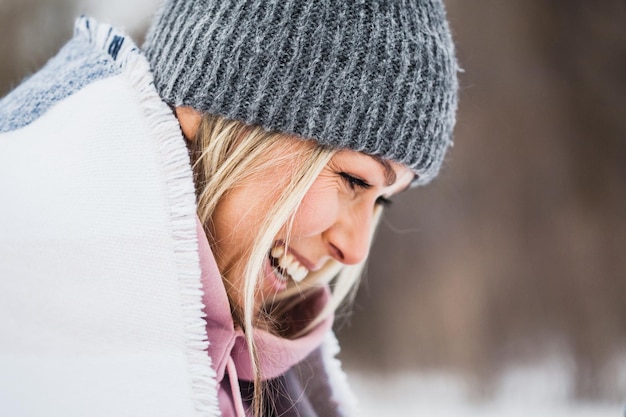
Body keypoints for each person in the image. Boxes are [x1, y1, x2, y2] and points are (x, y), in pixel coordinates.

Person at [0, 1, 458, 416]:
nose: (354, 249)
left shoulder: (267, 381)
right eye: (354, 179)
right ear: (210, 111)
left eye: (383, 202)